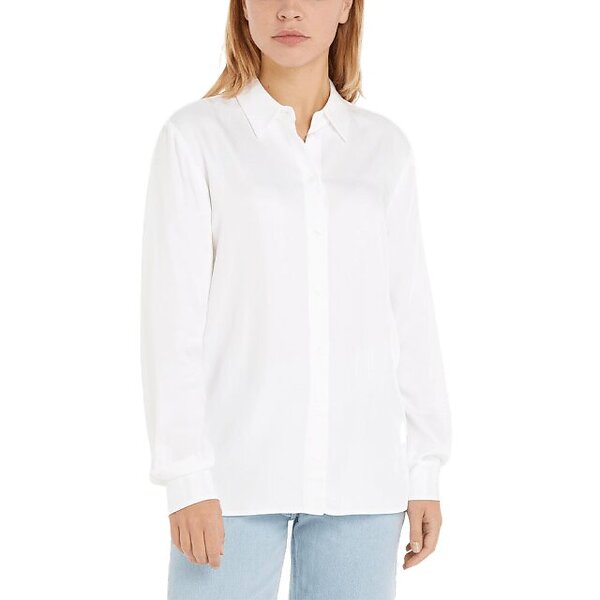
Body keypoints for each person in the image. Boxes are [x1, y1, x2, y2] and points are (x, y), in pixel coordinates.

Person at [140, 1, 452, 598]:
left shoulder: (384, 149)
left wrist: (424, 470)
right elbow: (171, 321)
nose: (289, 10)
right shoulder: (195, 138)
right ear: (244, 8)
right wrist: (185, 476)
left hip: (363, 481)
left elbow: (410, 315)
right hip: (229, 480)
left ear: (346, 7)